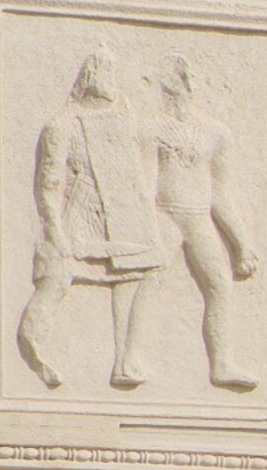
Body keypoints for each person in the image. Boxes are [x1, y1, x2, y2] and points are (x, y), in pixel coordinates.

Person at [18, 50, 166, 391]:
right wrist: (56, 232)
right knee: (54, 283)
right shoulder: (62, 124)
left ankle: (126, 358)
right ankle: (33, 347)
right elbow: (50, 182)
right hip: (79, 217)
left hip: (124, 218)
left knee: (141, 271)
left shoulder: (123, 119)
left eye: (112, 71)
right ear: (88, 77)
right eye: (103, 70)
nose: (109, 77)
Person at [145, 58, 261, 392]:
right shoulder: (150, 127)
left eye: (169, 87)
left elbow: (220, 194)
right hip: (163, 214)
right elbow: (143, 183)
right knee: (147, 281)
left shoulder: (216, 134)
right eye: (163, 89)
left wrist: (242, 243)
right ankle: (129, 357)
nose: (166, 95)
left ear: (185, 87)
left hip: (196, 218)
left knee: (220, 285)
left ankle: (222, 364)